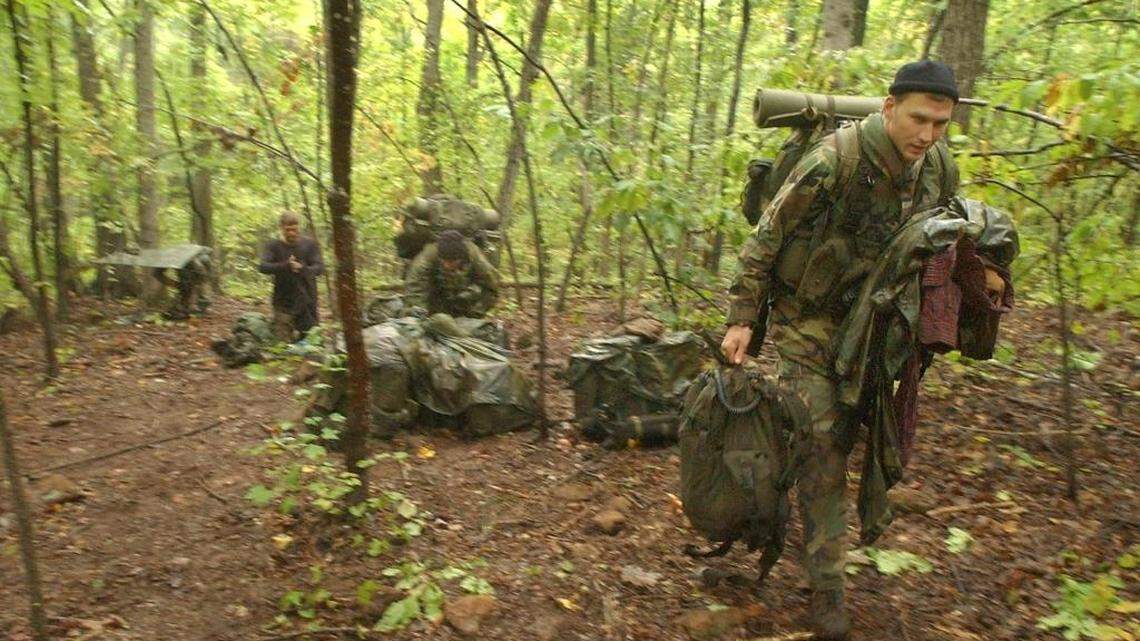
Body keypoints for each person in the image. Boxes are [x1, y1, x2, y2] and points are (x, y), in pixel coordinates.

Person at [720, 61, 1008, 640]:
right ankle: (827, 585)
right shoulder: (834, 160)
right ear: (888, 108)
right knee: (825, 443)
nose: (926, 134)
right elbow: (766, 239)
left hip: (876, 328)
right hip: (810, 324)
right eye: (918, 119)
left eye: (940, 124)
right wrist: (742, 319)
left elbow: (942, 235)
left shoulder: (937, 169)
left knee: (851, 435)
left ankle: (788, 500)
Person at [258, 212, 324, 342]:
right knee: (282, 345)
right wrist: (285, 266)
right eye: (288, 230)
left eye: (294, 229)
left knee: (312, 343)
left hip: (307, 300)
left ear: (299, 227)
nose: (291, 233)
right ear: (281, 228)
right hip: (283, 301)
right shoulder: (273, 245)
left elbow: (320, 268)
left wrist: (302, 269)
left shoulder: (310, 245)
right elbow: (263, 267)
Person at [404, 229, 500, 318]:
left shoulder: (476, 258)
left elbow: (492, 289)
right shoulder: (427, 257)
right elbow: (414, 285)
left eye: (451, 262)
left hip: (465, 301)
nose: (447, 265)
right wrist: (420, 310)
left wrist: (476, 313)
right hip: (436, 299)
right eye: (444, 261)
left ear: (461, 258)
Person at [155, 250, 211, 320]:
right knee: (185, 290)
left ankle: (199, 310)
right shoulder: (165, 260)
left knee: (196, 292)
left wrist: (194, 285)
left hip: (198, 272)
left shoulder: (192, 260)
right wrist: (175, 284)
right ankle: (183, 309)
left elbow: (202, 275)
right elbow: (157, 274)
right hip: (185, 277)